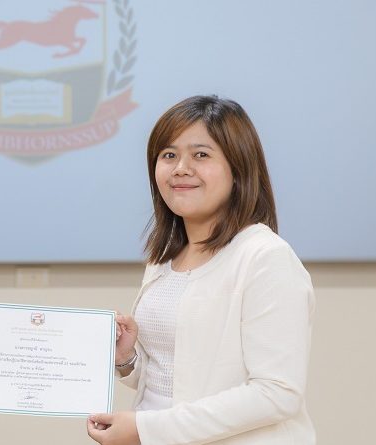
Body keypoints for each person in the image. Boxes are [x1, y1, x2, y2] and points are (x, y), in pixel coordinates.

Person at [87, 96, 316, 444]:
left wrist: (145, 430)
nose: (181, 168)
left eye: (201, 155)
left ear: (238, 169)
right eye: (169, 155)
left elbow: (277, 393)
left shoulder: (265, 257)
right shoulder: (165, 257)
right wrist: (128, 359)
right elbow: (179, 376)